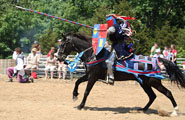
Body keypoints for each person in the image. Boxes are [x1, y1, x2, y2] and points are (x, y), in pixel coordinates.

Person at [105, 14, 135, 84]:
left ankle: (111, 77)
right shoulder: (122, 26)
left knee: (108, 61)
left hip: (117, 47)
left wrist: (100, 31)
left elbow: (106, 33)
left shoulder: (113, 28)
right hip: (121, 45)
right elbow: (124, 21)